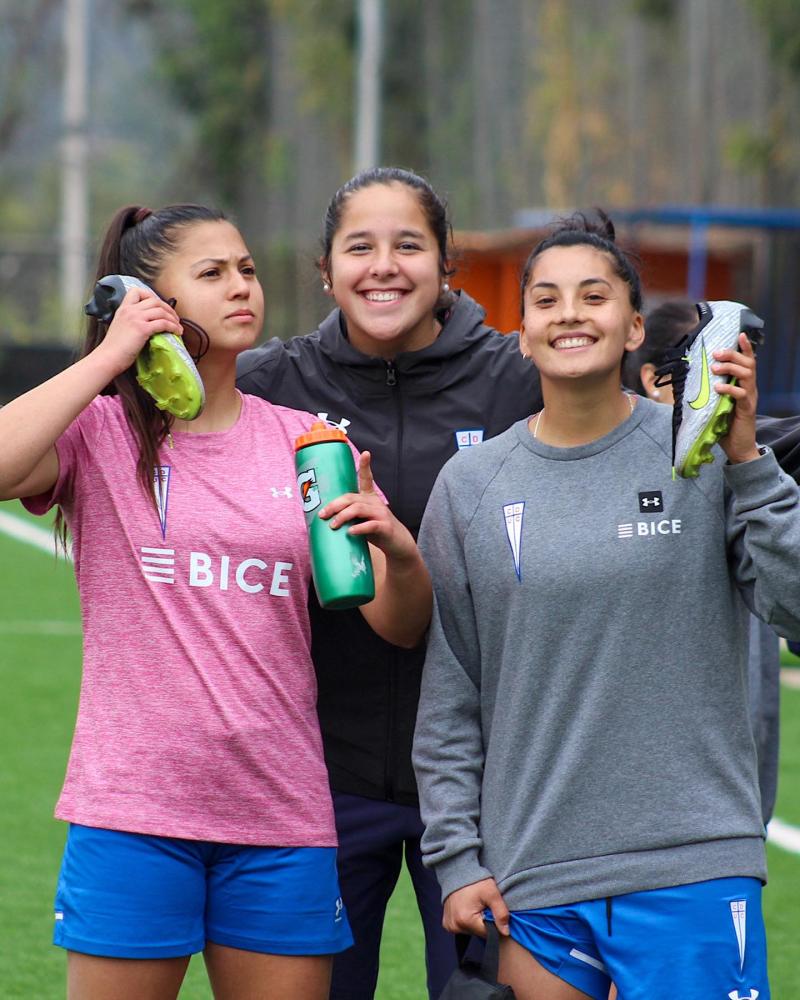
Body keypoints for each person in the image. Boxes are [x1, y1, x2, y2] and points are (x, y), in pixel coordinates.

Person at [0, 203, 431, 1000]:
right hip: (133, 813)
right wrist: (110, 357)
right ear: (148, 302)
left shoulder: (309, 442)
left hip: (280, 819)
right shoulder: (101, 433)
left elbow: (396, 624)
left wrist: (399, 551)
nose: (241, 287)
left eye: (247, 269)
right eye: (211, 274)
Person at [413, 211, 800, 1000]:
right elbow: (451, 694)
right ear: (523, 335)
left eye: (594, 296)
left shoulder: (703, 452)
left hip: (692, 862)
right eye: (548, 300)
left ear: (631, 328)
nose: (570, 315)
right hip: (536, 876)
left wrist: (749, 459)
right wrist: (458, 861)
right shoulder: (472, 486)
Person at [236, 166, 543, 999]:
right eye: (359, 247)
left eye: (408, 245)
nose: (384, 266)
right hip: (319, 782)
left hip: (494, 788)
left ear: (448, 265)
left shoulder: (520, 380)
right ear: (325, 271)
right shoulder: (269, 387)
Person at [624, 299, 784, 826]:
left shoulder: (753, 451)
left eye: (738, 366)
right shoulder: (609, 464)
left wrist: (750, 461)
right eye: (705, 365)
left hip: (730, 785)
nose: (726, 382)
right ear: (653, 377)